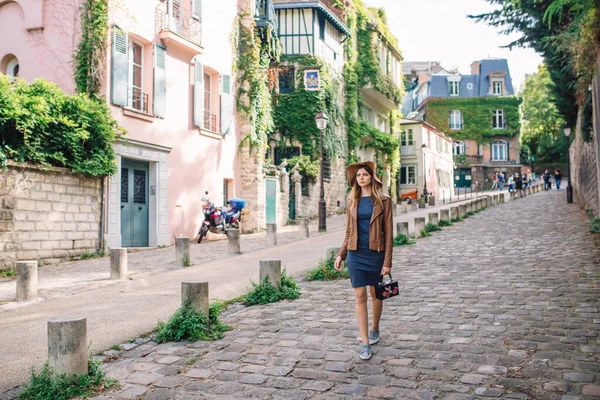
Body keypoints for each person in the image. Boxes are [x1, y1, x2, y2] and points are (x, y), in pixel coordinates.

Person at [334, 161, 393, 360]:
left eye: (364, 175)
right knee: (360, 296)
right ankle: (365, 342)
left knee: (376, 294)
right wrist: (341, 254)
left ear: (371, 178)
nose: (361, 178)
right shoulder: (352, 202)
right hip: (356, 254)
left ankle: (375, 327)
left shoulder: (384, 201)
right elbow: (348, 231)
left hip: (376, 253)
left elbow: (389, 234)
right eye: (358, 175)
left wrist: (387, 262)